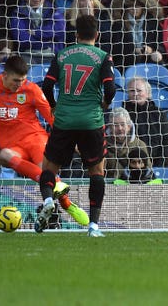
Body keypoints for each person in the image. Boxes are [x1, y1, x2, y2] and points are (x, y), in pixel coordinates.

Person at [0, 54, 89, 227]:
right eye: (16, 80)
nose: (20, 84)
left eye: (23, 80)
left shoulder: (31, 89)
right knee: (3, 156)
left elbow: (50, 116)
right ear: (4, 75)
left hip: (35, 138)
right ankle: (61, 196)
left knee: (46, 170)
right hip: (11, 144)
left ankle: (66, 204)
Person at [35, 15, 116, 237]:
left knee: (50, 169)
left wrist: (53, 106)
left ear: (76, 34)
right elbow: (110, 89)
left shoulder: (61, 55)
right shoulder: (102, 57)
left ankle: (49, 200)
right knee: (97, 172)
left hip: (64, 120)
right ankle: (93, 226)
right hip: (91, 121)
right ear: (96, 35)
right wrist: (105, 104)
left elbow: (47, 85)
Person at [105, 0, 165, 73]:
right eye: (130, 6)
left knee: (158, 58)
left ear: (143, 6)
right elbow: (116, 49)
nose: (134, 9)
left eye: (137, 6)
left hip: (150, 58)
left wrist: (152, 50)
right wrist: (133, 51)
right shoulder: (119, 25)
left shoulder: (153, 23)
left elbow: (161, 44)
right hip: (127, 61)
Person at [9, 0, 66, 64]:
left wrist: (35, 32)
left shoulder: (54, 10)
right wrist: (48, 40)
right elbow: (22, 39)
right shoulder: (17, 13)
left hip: (53, 54)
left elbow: (60, 31)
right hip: (28, 55)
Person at [123, 76, 168, 168]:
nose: (135, 94)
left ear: (147, 93)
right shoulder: (122, 114)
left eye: (139, 90)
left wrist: (158, 166)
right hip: (130, 164)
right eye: (132, 91)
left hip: (158, 164)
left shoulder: (159, 114)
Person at [105, 107, 152, 179]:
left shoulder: (139, 145)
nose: (120, 128)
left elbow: (148, 171)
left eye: (122, 124)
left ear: (129, 126)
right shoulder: (102, 144)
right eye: (115, 125)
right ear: (110, 127)